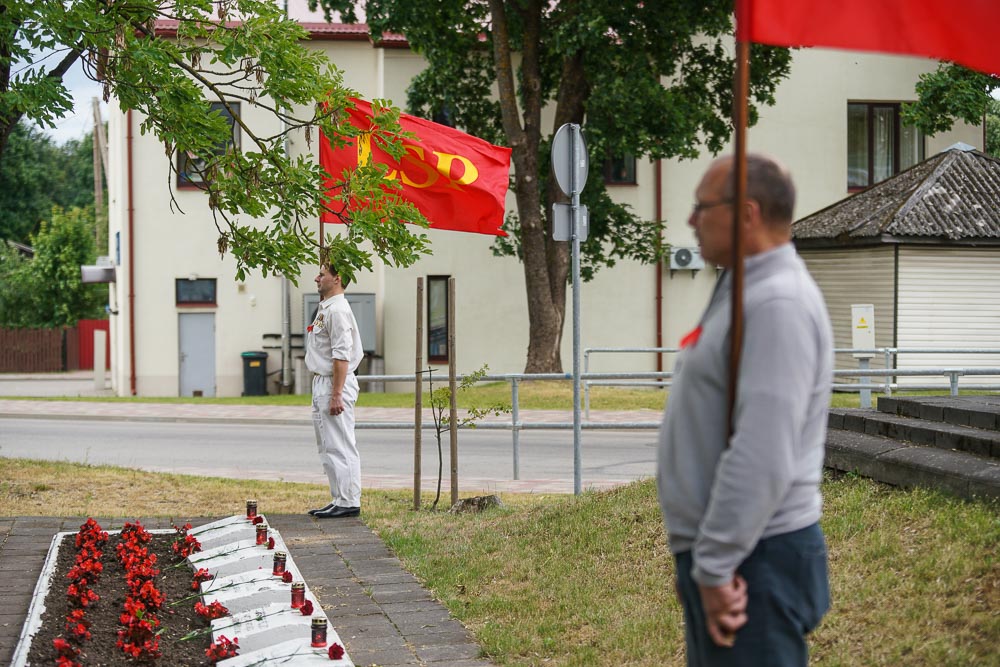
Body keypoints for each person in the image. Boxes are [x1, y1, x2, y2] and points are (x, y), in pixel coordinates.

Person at [657, 154, 833, 666]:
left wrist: (712, 565)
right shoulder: (740, 289)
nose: (691, 221)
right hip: (733, 555)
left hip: (755, 560)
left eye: (702, 207)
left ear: (747, 213)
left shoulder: (779, 304)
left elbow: (763, 454)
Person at [305, 262, 364, 519]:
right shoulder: (326, 307)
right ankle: (339, 497)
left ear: (337, 278)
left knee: (340, 443)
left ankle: (350, 500)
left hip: (334, 382)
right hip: (322, 381)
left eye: (322, 274)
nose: (316, 278)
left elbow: (341, 355)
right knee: (327, 445)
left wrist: (337, 393)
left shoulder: (338, 310)